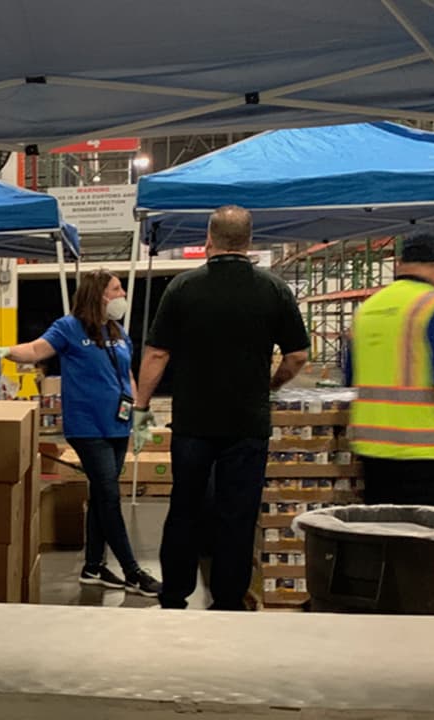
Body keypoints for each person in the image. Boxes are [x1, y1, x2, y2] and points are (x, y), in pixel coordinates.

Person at [133, 205, 309, 610]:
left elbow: (157, 354)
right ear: (249, 242)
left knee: (185, 506)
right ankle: (228, 600)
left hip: (194, 423)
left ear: (208, 239)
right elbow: (298, 356)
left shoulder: (183, 287)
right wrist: (270, 384)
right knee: (237, 512)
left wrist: (141, 406)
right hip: (247, 423)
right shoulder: (273, 289)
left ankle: (175, 593)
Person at [0, 270, 162, 597]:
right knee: (110, 496)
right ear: (99, 294)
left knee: (100, 495)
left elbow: (126, 373)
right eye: (116, 288)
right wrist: (3, 351)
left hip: (118, 424)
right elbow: (36, 350)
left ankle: (93, 567)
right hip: (88, 427)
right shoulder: (69, 327)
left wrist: (139, 413)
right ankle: (132, 571)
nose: (122, 293)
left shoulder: (117, 331)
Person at [347, 232, 434, 507]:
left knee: (389, 542)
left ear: (400, 262)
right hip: (432, 458)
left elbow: (353, 378)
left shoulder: (367, 310)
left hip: (373, 455)